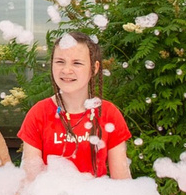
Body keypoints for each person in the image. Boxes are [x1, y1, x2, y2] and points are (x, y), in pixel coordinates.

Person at [15, 32, 130, 180]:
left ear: (94, 68)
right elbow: (29, 181)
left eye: (77, 63)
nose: (66, 70)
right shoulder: (39, 113)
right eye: (60, 62)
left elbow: (122, 181)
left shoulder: (109, 114)